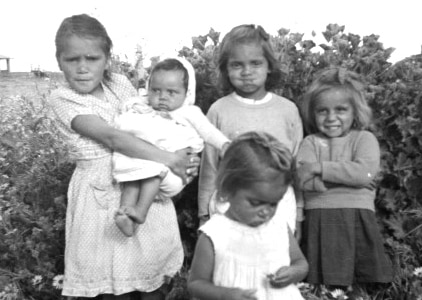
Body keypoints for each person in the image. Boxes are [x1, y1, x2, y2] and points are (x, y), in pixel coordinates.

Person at [49, 14, 199, 300]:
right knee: (110, 284)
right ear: (59, 61)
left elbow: (151, 120)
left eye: (92, 58)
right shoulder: (63, 98)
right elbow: (112, 138)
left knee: (151, 276)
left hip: (142, 180)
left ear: (107, 58)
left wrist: (183, 153)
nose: (82, 68)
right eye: (72, 59)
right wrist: (169, 158)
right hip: (99, 196)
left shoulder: (118, 83)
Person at [197, 24, 304, 233]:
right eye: (237, 65)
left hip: (279, 203)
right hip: (230, 202)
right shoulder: (219, 110)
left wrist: (299, 211)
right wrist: (203, 213)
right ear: (226, 69)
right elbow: (210, 165)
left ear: (269, 66)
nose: (247, 72)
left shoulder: (287, 110)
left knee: (276, 260)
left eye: (255, 63)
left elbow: (296, 164)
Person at [296, 67, 393, 291]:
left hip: (356, 217)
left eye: (340, 110)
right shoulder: (310, 142)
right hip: (320, 218)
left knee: (360, 283)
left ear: (355, 112)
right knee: (324, 285)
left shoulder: (364, 139)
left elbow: (363, 173)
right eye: (322, 111)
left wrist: (319, 168)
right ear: (313, 113)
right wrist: (349, 178)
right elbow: (303, 180)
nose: (331, 118)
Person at [112, 57, 229, 237]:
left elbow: (208, 132)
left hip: (164, 165)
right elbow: (123, 121)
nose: (162, 97)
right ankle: (125, 215)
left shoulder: (188, 112)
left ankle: (140, 212)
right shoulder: (141, 106)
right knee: (131, 180)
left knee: (152, 174)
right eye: (156, 90)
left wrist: (225, 145)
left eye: (171, 92)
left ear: (185, 94)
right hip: (141, 156)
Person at [188, 131, 308, 300]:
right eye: (256, 202)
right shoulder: (215, 233)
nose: (266, 211)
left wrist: (293, 272)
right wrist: (225, 294)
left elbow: (301, 263)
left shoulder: (278, 225)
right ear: (227, 190)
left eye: (273, 203)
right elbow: (196, 283)